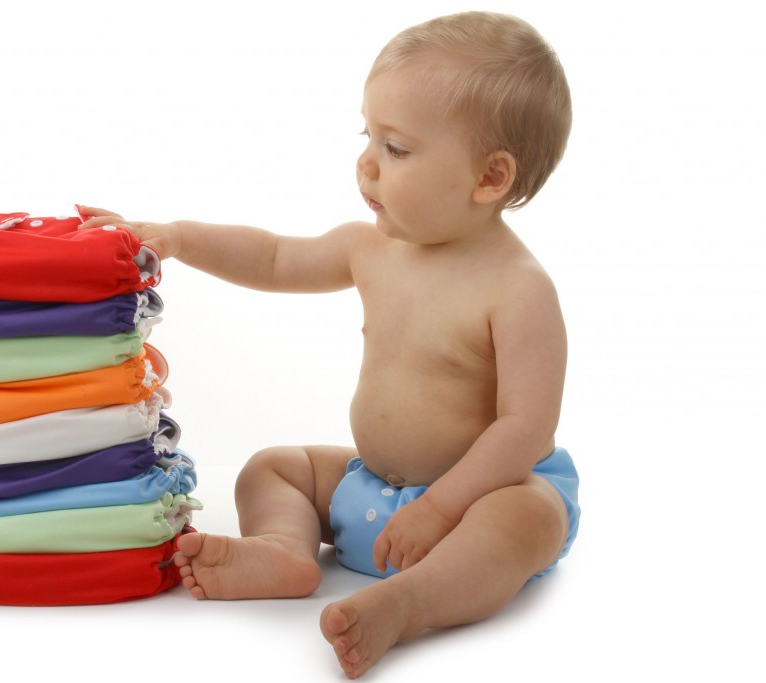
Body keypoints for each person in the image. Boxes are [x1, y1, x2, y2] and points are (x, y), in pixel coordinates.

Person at [79, 11, 579, 679]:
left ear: (489, 178)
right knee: (274, 465)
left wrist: (441, 506)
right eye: (367, 135)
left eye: (397, 148)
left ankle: (410, 602)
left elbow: (525, 428)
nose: (366, 163)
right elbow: (278, 257)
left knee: (526, 516)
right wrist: (179, 236)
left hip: (473, 505)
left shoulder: (518, 291)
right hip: (371, 489)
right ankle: (284, 550)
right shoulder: (373, 249)